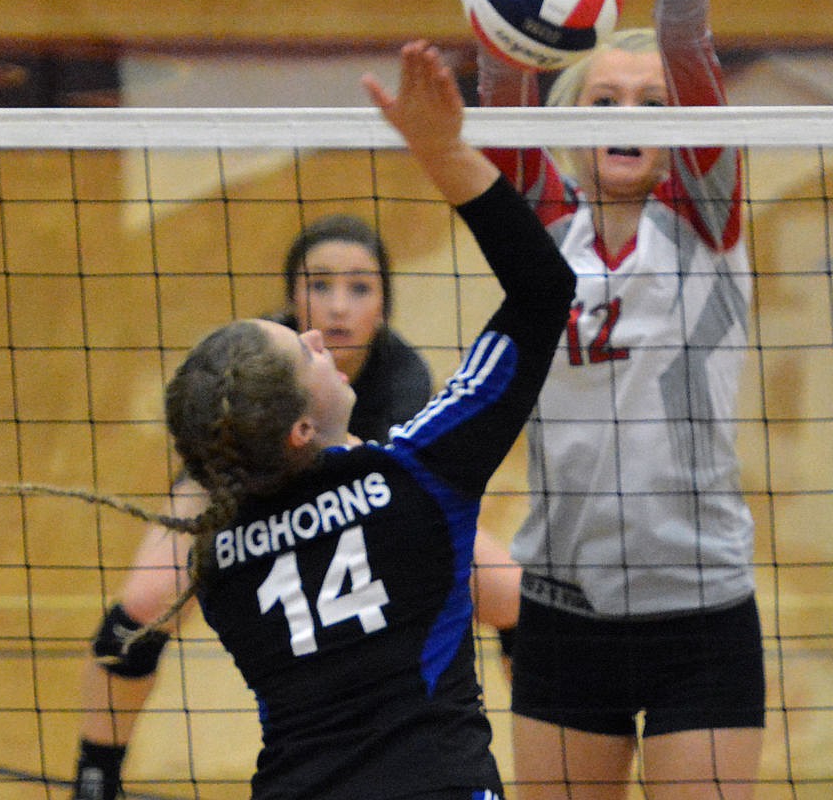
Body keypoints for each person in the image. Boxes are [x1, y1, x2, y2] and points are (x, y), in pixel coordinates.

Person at [434, 0, 765, 797]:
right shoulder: (543, 230)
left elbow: (687, 36)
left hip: (702, 615)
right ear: (567, 128)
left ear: (676, 127)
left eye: (647, 102)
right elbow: (502, 62)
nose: (627, 116)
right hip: (564, 614)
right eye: (602, 101)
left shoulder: (706, 221)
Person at [144, 40, 575, 799]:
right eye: (303, 352)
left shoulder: (217, 565)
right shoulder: (417, 477)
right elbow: (543, 287)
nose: (320, 336)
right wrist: (442, 150)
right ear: (299, 429)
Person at [71, 211, 521, 799]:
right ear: (290, 298)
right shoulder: (263, 359)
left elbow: (398, 501)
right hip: (239, 486)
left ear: (385, 304)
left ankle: (555, 757)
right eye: (319, 286)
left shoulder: (400, 379)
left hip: (361, 498)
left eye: (359, 288)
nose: (337, 308)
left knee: (516, 596)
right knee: (140, 607)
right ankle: (95, 774)